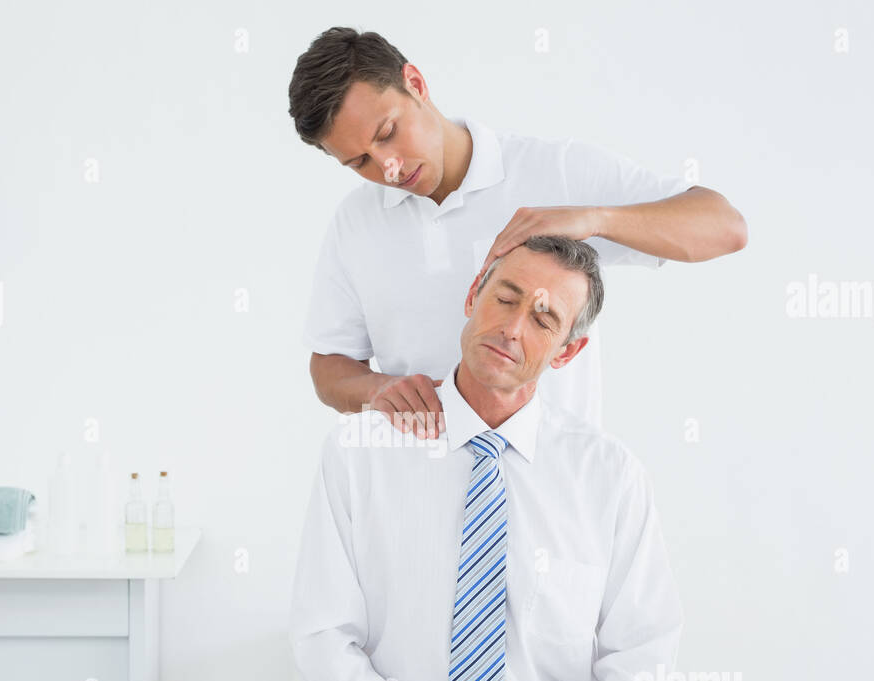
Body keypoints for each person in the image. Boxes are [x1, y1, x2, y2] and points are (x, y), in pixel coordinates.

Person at [288, 236, 684, 681]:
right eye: (505, 297)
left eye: (544, 318)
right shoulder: (361, 452)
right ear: (474, 296)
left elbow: (643, 654)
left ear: (568, 350)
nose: (512, 326)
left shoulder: (608, 475)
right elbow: (322, 632)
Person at [289, 26, 747, 434]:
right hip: (420, 490)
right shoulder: (356, 223)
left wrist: (595, 218)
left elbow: (725, 227)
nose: (387, 167)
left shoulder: (558, 171)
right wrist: (378, 390)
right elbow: (328, 365)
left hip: (554, 490)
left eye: (388, 132)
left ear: (416, 83)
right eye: (359, 162)